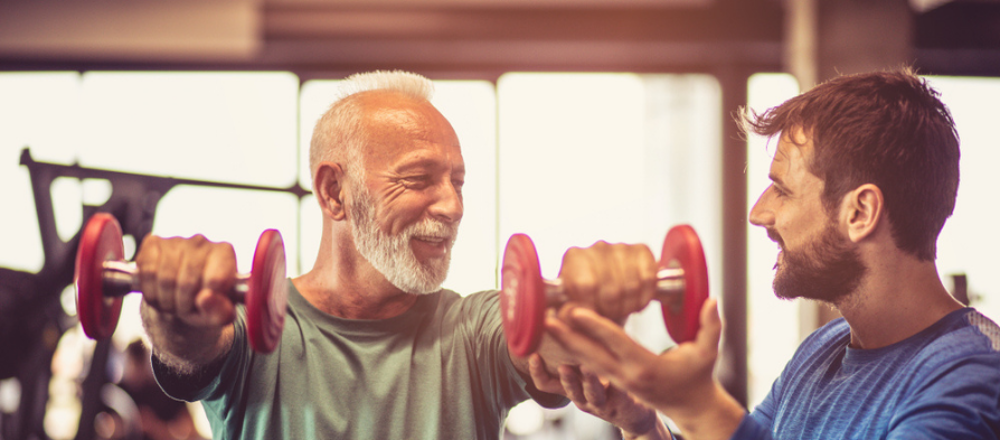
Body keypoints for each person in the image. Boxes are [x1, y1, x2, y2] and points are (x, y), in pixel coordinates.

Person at [134, 70, 658, 439]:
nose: (452, 206)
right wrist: (173, 302)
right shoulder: (257, 327)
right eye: (417, 179)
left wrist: (585, 308)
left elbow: (543, 348)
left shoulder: (471, 330)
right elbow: (189, 342)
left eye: (458, 182)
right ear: (334, 193)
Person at [539, 68, 1000, 440]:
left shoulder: (973, 374)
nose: (758, 213)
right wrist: (643, 425)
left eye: (782, 190)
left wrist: (699, 405)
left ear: (860, 211)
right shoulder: (822, 350)